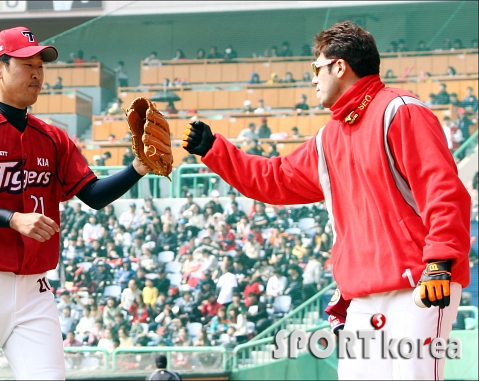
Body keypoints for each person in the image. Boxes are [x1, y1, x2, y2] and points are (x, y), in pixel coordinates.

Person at [182, 20, 469, 380]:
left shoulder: (401, 110)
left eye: (316, 68)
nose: (313, 78)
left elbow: (442, 188)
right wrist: (214, 150)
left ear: (339, 66)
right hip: (362, 296)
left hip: (421, 284)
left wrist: (440, 262)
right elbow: (274, 179)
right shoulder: (328, 137)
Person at [0, 26, 152, 380]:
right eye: (26, 63)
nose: (37, 72)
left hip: (35, 288)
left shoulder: (53, 137)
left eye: (41, 65)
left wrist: (137, 168)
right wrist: (13, 219)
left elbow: (92, 195)